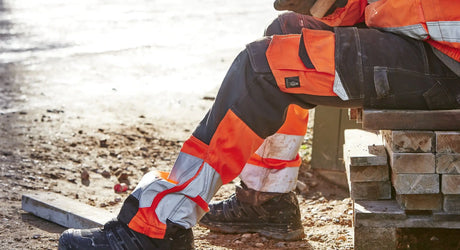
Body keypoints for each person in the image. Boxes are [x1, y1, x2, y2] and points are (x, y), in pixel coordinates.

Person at [58, 0, 460, 249]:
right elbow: (390, 9)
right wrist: (328, 3)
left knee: (263, 69)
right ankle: (266, 201)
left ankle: (157, 229)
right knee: (286, 32)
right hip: (425, 47)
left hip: (447, 63)